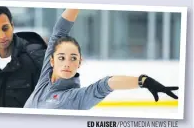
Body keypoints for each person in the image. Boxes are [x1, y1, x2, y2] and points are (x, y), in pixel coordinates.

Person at [24, 9, 178, 110]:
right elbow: (59, 31)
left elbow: (107, 84)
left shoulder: (78, 97)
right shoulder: (45, 79)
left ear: (79, 63)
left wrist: (144, 81)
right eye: (61, 57)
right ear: (51, 61)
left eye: (73, 58)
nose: (67, 63)